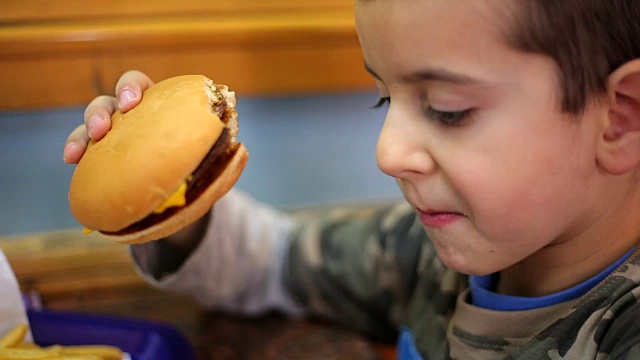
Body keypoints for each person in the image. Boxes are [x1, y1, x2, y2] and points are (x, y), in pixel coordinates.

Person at [63, 0, 640, 358]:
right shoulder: (419, 252)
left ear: (620, 119)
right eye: (384, 99)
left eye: (447, 109)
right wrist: (165, 192)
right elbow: (271, 260)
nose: (387, 153)